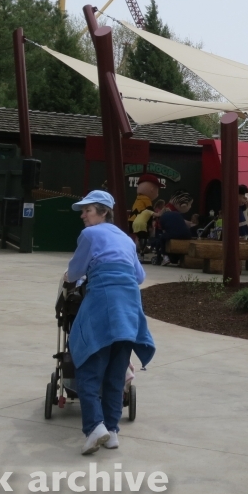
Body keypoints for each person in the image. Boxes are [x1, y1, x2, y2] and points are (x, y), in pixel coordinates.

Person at [66, 190, 155, 455]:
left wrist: (77, 276)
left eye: (87, 211)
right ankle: (112, 430)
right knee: (116, 374)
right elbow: (139, 276)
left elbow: (74, 271)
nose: (83, 216)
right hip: (129, 308)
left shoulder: (90, 235)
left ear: (104, 212)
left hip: (103, 303)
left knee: (89, 367)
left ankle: (95, 427)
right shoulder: (126, 239)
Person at [151, 192, 192, 264]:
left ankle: (165, 256)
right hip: (187, 234)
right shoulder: (177, 214)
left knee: (162, 239)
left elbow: (163, 230)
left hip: (174, 234)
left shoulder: (162, 217)